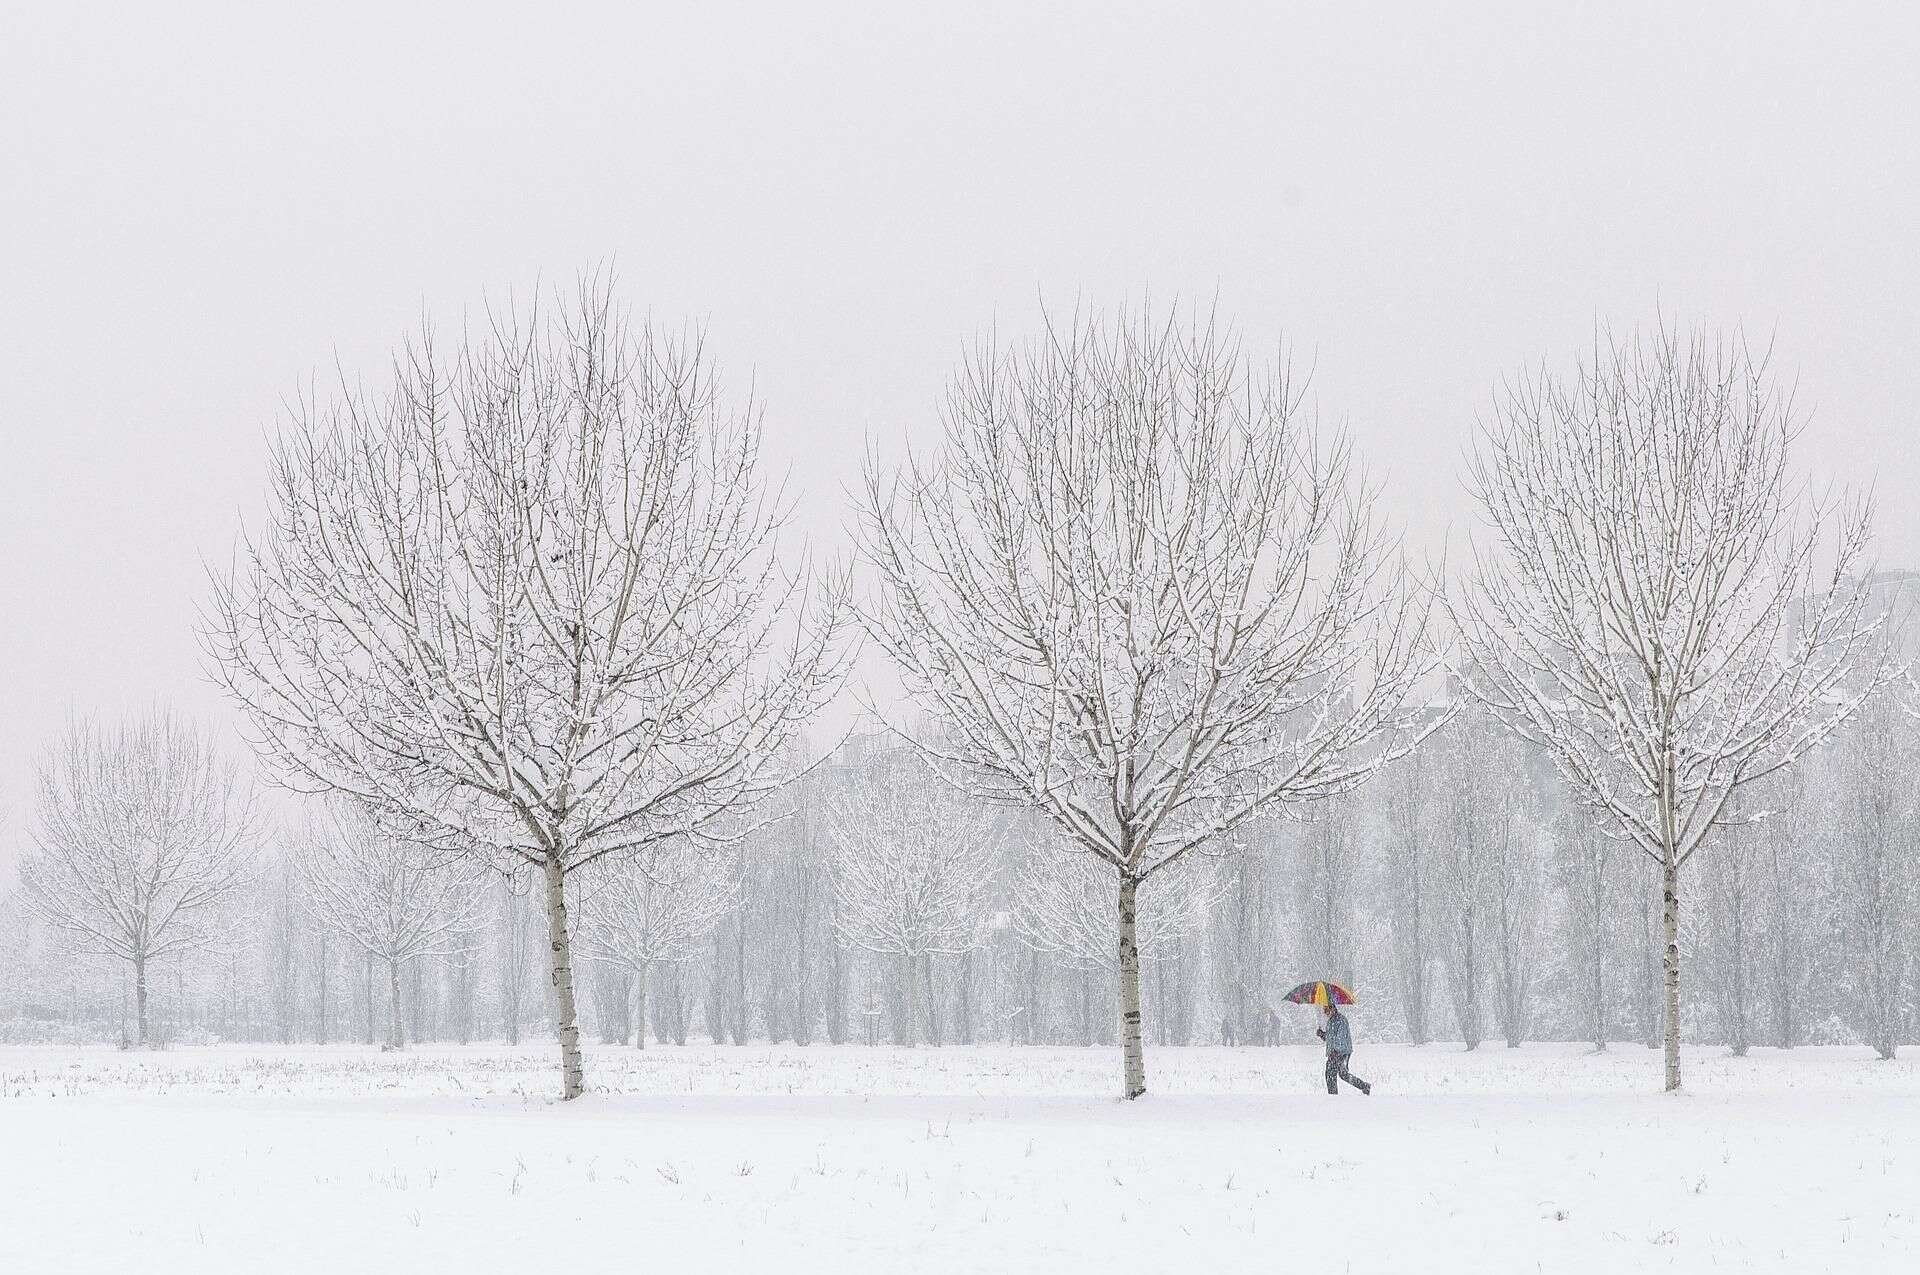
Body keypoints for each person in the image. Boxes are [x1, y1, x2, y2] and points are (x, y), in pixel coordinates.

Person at [1316, 1001, 1372, 1095]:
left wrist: (1336, 1051)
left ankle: (1334, 1096)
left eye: (1327, 1010)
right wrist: (1322, 1034)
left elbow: (1341, 1038)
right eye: (1324, 1011)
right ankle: (1362, 1086)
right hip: (1334, 1052)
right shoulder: (1331, 1021)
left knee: (1337, 1073)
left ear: (1333, 1009)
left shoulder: (1341, 1020)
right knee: (1336, 1074)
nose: (1325, 1013)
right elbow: (1330, 1038)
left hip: (1342, 1052)